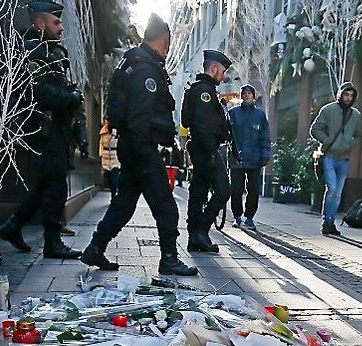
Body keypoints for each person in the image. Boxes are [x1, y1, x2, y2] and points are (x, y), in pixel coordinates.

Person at [79, 13, 197, 276]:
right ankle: (169, 259)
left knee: (124, 205)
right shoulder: (146, 70)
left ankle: (95, 248)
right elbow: (139, 117)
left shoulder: (133, 62)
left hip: (132, 146)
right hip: (141, 147)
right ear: (164, 41)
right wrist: (146, 152)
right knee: (165, 206)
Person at [0, 1, 83, 259]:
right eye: (55, 22)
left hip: (57, 129)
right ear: (39, 23)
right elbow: (38, 93)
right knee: (54, 186)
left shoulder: (53, 52)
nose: (60, 27)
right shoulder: (32, 52)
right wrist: (71, 98)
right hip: (43, 129)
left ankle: (13, 226)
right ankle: (52, 242)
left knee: (48, 184)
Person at [181, 50, 234, 252]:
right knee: (222, 190)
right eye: (222, 71)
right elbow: (202, 125)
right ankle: (200, 231)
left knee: (199, 191)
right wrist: (211, 152)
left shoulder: (201, 89)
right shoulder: (205, 91)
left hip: (202, 148)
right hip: (206, 149)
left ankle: (195, 237)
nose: (223, 76)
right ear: (213, 69)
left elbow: (189, 121)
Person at [310, 82, 362, 235]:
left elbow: (358, 134)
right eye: (346, 94)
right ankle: (326, 221)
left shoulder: (356, 115)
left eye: (351, 95)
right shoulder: (329, 110)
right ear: (340, 94)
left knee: (338, 193)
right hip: (329, 156)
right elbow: (315, 129)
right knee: (331, 188)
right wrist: (327, 141)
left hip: (344, 158)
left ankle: (330, 222)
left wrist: (350, 145)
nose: (348, 98)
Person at [228, 84, 271, 230]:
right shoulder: (233, 113)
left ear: (253, 95)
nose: (247, 95)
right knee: (236, 189)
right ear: (241, 96)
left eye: (249, 93)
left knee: (253, 190)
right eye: (244, 93)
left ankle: (250, 217)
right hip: (237, 158)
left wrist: (265, 155)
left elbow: (265, 137)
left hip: (255, 158)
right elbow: (226, 134)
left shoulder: (259, 115)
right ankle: (237, 216)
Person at [99, 118, 120, 199]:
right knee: (109, 177)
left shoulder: (115, 130)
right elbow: (101, 144)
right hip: (105, 156)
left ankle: (115, 193)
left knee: (115, 176)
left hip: (115, 156)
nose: (106, 122)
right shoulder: (102, 131)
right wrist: (100, 155)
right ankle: (112, 192)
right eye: (105, 120)